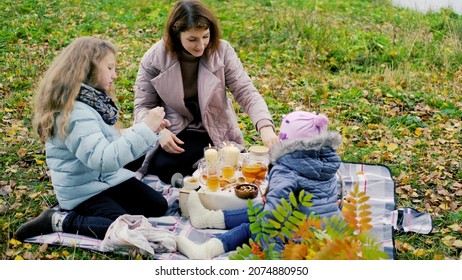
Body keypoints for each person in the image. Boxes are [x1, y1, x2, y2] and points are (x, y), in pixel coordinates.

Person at [14, 36, 171, 241]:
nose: (115, 75)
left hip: (104, 180)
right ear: (88, 69)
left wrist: (150, 131)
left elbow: (112, 145)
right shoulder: (76, 113)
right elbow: (103, 159)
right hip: (82, 191)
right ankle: (57, 220)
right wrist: (145, 129)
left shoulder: (94, 100)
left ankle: (105, 210)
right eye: (110, 68)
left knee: (157, 206)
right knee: (125, 229)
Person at [133, 0, 279, 183]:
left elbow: (245, 91)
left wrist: (265, 127)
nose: (200, 45)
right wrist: (157, 132)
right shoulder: (154, 58)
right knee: (162, 165)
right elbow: (143, 106)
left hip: (216, 129)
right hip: (176, 130)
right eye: (192, 39)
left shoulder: (222, 51)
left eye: (205, 36)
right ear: (176, 35)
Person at [177, 111, 343, 259]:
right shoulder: (326, 164)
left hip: (293, 244)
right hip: (325, 236)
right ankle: (208, 218)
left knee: (250, 227)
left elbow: (273, 214)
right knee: (260, 209)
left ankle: (204, 251)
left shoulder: (286, 170)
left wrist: (270, 244)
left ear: (287, 142)